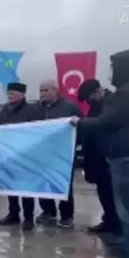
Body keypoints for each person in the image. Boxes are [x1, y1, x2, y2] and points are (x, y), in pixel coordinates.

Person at [70, 49, 129, 258]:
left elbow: (105, 122)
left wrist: (79, 122)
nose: (111, 73)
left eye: (114, 67)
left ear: (124, 67)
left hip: (128, 158)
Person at [36, 79, 84, 228]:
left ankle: (66, 215)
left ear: (56, 91)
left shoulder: (69, 107)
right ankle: (48, 212)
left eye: (46, 90)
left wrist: (75, 145)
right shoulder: (37, 109)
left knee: (63, 184)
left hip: (63, 153)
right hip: (43, 153)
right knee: (43, 183)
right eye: (41, 90)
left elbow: (82, 126)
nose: (43, 93)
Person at [78, 79, 121, 236]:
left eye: (89, 98)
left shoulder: (111, 103)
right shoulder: (96, 105)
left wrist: (83, 123)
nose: (88, 102)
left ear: (97, 91)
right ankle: (108, 220)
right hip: (97, 157)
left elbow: (104, 125)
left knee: (111, 192)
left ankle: (116, 224)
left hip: (108, 156)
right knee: (103, 191)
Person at [0, 82, 41, 230]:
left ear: (22, 95)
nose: (9, 95)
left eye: (12, 93)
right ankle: (13, 214)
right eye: (8, 93)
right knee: (11, 187)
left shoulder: (32, 110)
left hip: (26, 155)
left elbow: (39, 131)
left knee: (26, 187)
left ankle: (29, 217)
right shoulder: (4, 110)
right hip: (9, 154)